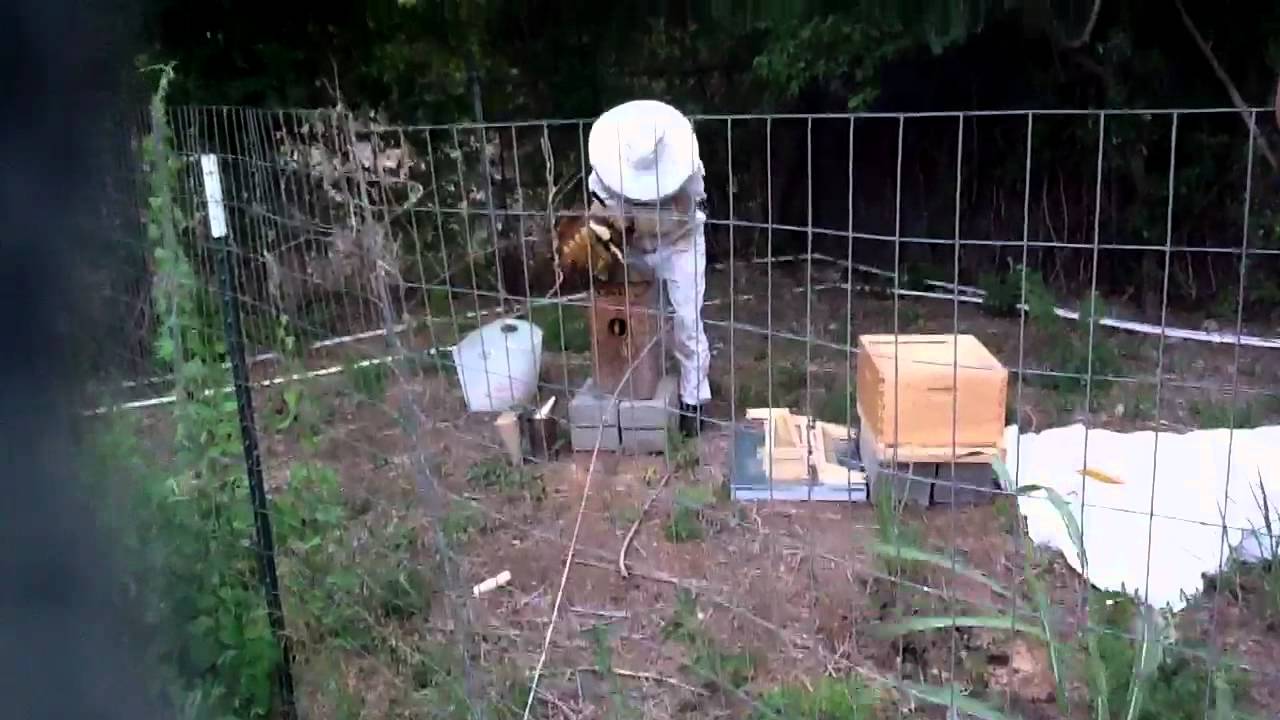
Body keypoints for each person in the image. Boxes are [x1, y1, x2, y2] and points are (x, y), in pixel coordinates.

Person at [586, 99, 710, 437]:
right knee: (622, 313)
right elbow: (600, 216)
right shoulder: (605, 172)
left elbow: (689, 206)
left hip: (680, 244)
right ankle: (627, 375)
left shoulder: (687, 167)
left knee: (686, 321)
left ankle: (693, 401)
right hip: (634, 245)